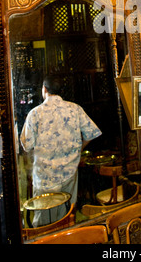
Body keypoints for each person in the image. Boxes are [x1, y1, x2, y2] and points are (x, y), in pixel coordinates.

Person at [20, 74, 102, 226]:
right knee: (67, 217)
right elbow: (92, 134)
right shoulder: (75, 109)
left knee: (44, 222)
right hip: (69, 173)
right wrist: (78, 150)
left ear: (44, 89)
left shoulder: (35, 113)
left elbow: (27, 145)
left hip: (44, 176)